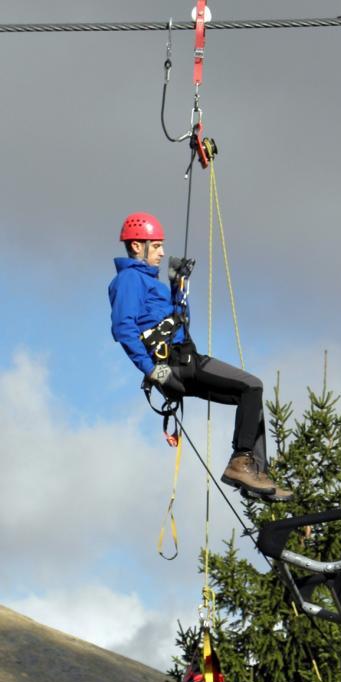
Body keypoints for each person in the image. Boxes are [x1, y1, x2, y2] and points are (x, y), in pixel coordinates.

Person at [109, 212, 292, 502]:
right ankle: (242, 464)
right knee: (252, 386)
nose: (162, 251)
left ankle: (254, 473)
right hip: (177, 365)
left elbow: (178, 321)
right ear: (136, 246)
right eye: (156, 245)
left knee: (248, 398)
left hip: (182, 361)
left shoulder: (150, 283)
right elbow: (123, 329)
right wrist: (153, 371)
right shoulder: (129, 279)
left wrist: (178, 287)